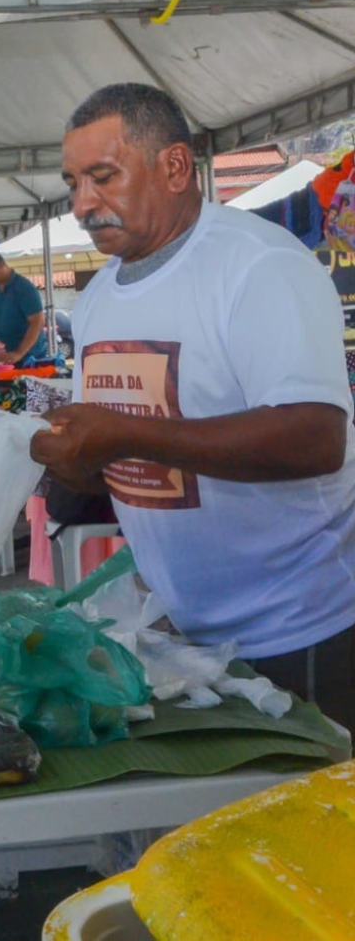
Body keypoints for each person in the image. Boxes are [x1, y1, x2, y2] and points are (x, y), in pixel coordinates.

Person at [29, 81, 355, 729]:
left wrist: (126, 433)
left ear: (175, 167)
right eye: (73, 185)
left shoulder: (258, 266)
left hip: (306, 627)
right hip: (186, 630)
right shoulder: (96, 302)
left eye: (102, 177)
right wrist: (67, 457)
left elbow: (315, 438)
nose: (83, 205)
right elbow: (127, 462)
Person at [0, 247, 49, 367]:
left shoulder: (24, 288)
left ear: (1, 265)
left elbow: (38, 322)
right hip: (6, 355)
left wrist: (19, 353)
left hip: (31, 357)